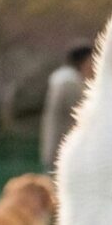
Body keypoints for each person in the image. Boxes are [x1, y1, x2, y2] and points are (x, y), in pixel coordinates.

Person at [40, 44, 95, 173]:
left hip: (58, 148)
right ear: (83, 61)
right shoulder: (69, 83)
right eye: (91, 60)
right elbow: (82, 114)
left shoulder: (63, 79)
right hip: (63, 150)